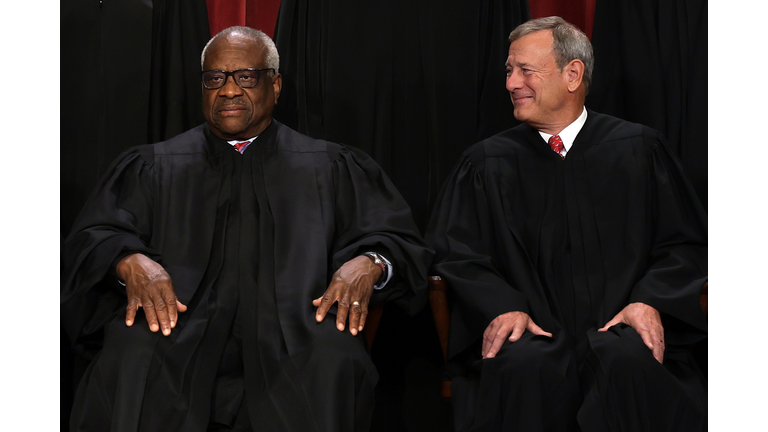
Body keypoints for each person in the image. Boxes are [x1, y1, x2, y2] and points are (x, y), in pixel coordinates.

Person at [61, 26, 433, 432]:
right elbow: (92, 236)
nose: (229, 90)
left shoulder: (329, 167)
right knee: (130, 354)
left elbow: (399, 241)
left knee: (334, 359)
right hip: (176, 326)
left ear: (275, 86)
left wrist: (370, 262)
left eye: (246, 77)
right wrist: (128, 260)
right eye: (215, 78)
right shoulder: (154, 166)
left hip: (297, 328)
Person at [425, 16, 707, 432]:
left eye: (525, 70)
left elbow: (683, 244)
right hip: (531, 332)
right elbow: (456, 253)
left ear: (572, 74)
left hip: (620, 329)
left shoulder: (639, 150)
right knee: (522, 366)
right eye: (508, 71)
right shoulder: (486, 163)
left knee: (630, 360)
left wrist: (649, 300)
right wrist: (502, 305)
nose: (510, 83)